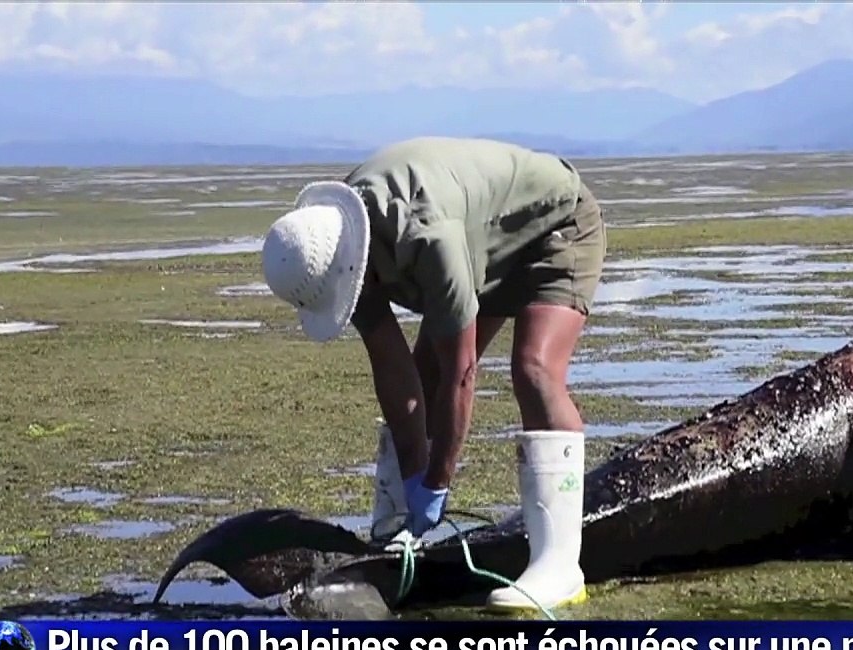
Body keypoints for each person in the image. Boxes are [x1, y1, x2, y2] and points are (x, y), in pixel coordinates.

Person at [259, 136, 607, 612]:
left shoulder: (427, 238)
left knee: (534, 370)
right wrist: (412, 477)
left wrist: (437, 483)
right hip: (483, 241)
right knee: (424, 372)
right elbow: (394, 367)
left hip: (554, 224)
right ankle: (394, 526)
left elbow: (460, 374)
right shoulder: (331, 240)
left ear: (354, 263)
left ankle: (560, 566)